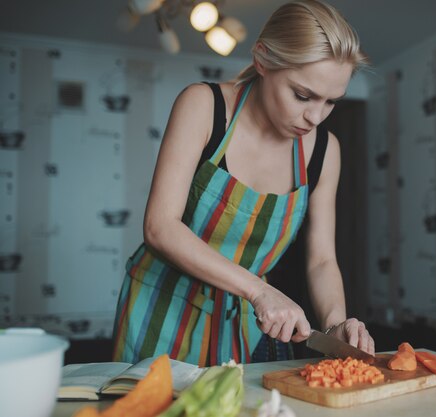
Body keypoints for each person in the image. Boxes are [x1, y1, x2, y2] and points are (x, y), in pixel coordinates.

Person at [112, 0, 374, 366]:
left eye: (331, 101)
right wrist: (259, 290)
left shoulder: (325, 151)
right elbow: (160, 226)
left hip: (244, 323)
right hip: (160, 308)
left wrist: (335, 326)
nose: (315, 116)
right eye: (302, 95)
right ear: (263, 60)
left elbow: (322, 260)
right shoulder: (203, 106)